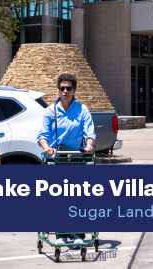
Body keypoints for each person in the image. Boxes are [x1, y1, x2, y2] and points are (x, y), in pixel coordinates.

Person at [37, 73, 96, 246]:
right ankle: (61, 234)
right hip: (57, 158)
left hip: (77, 158)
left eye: (68, 88)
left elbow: (89, 132)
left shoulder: (82, 109)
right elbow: (42, 135)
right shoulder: (50, 111)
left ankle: (76, 233)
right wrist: (46, 148)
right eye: (62, 88)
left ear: (74, 90)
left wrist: (89, 145)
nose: (65, 91)